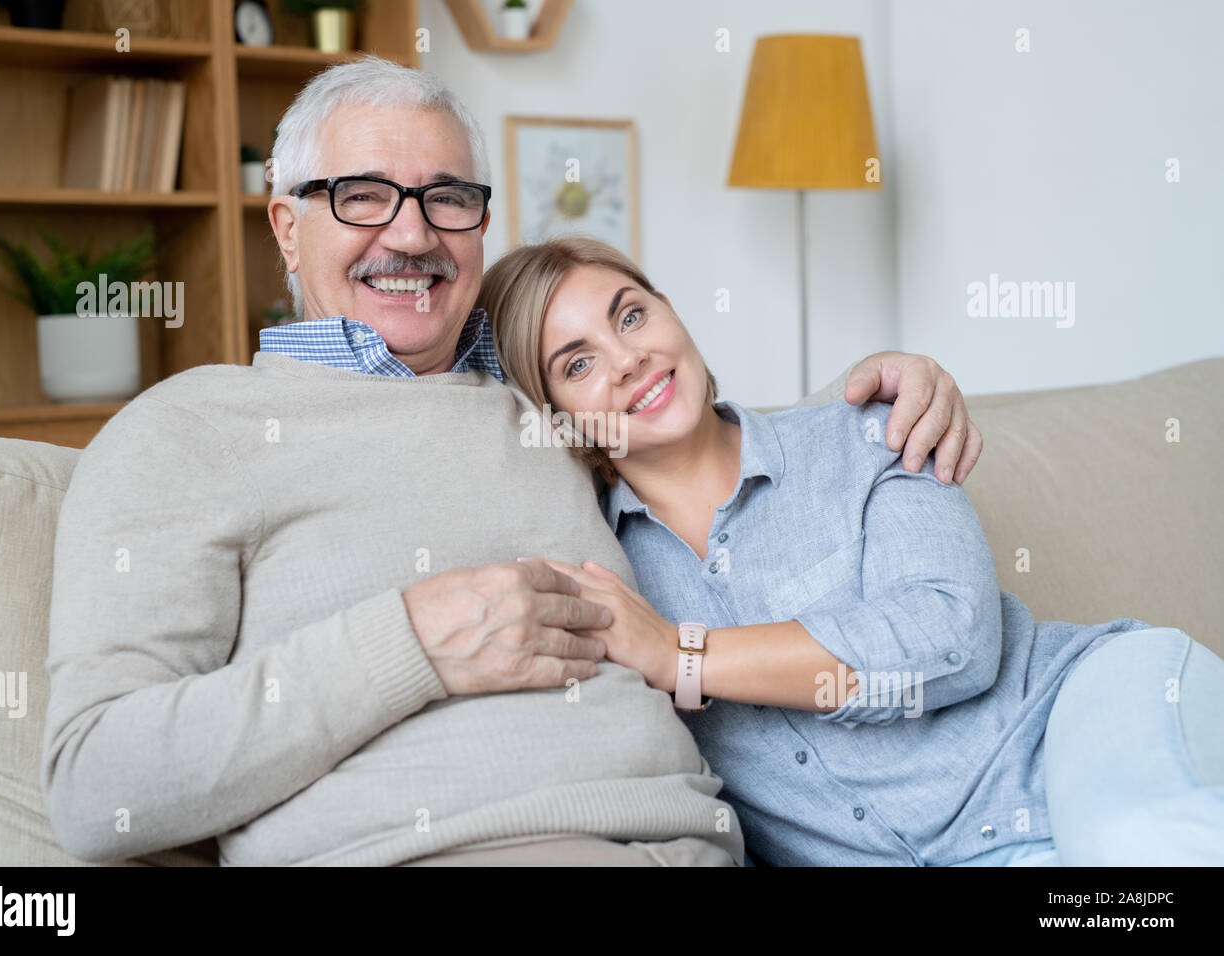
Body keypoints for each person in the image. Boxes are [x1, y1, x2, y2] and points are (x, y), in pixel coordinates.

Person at [41, 56, 983, 867]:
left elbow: (701, 447)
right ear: (288, 226)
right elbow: (93, 784)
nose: (411, 235)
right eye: (363, 196)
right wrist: (407, 643)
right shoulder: (191, 429)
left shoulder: (542, 404)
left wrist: (880, 399)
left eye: (446, 198)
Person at [479, 234, 1224, 867]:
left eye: (632, 315)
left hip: (1081, 716)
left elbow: (953, 637)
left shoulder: (871, 432)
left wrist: (684, 657)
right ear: (556, 419)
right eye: (577, 364)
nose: (628, 358)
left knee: (1146, 851)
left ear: (673, 314)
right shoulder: (609, 574)